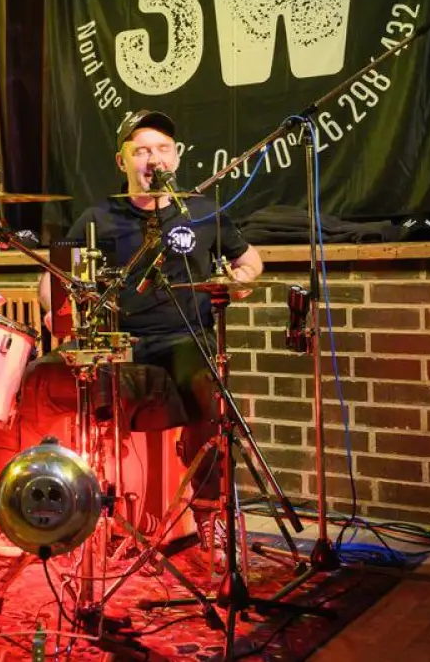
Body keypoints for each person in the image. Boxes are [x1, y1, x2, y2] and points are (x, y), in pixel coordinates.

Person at [29, 109, 264, 544]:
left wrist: (240, 280)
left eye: (161, 149)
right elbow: (51, 279)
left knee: (211, 405)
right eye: (141, 151)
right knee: (55, 382)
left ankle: (210, 514)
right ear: (123, 162)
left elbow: (250, 260)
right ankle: (92, 506)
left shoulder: (202, 212)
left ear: (175, 158)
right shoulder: (99, 218)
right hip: (123, 343)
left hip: (188, 338)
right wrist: (59, 307)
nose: (153, 158)